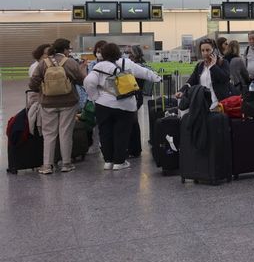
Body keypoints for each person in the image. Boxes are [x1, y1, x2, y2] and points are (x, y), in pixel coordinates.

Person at [85, 43, 161, 171]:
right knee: (122, 133)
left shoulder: (98, 66)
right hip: (125, 104)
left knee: (105, 132)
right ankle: (119, 162)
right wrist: (157, 78)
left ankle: (108, 161)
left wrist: (95, 97)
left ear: (102, 54)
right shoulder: (126, 63)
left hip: (103, 105)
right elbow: (144, 72)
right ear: (118, 53)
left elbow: (88, 82)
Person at [28, 38, 87, 174]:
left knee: (49, 134)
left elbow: (32, 84)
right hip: (69, 102)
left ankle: (47, 165)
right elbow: (81, 80)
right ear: (65, 50)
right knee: (65, 132)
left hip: (48, 103)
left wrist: (44, 90)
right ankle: (66, 163)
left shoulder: (43, 63)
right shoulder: (70, 62)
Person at [176, 39, 233, 110]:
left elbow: (225, 78)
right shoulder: (200, 66)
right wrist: (181, 90)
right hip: (203, 105)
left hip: (218, 105)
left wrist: (213, 66)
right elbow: (191, 81)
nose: (205, 53)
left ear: (214, 50)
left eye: (208, 50)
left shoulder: (223, 62)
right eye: (202, 50)